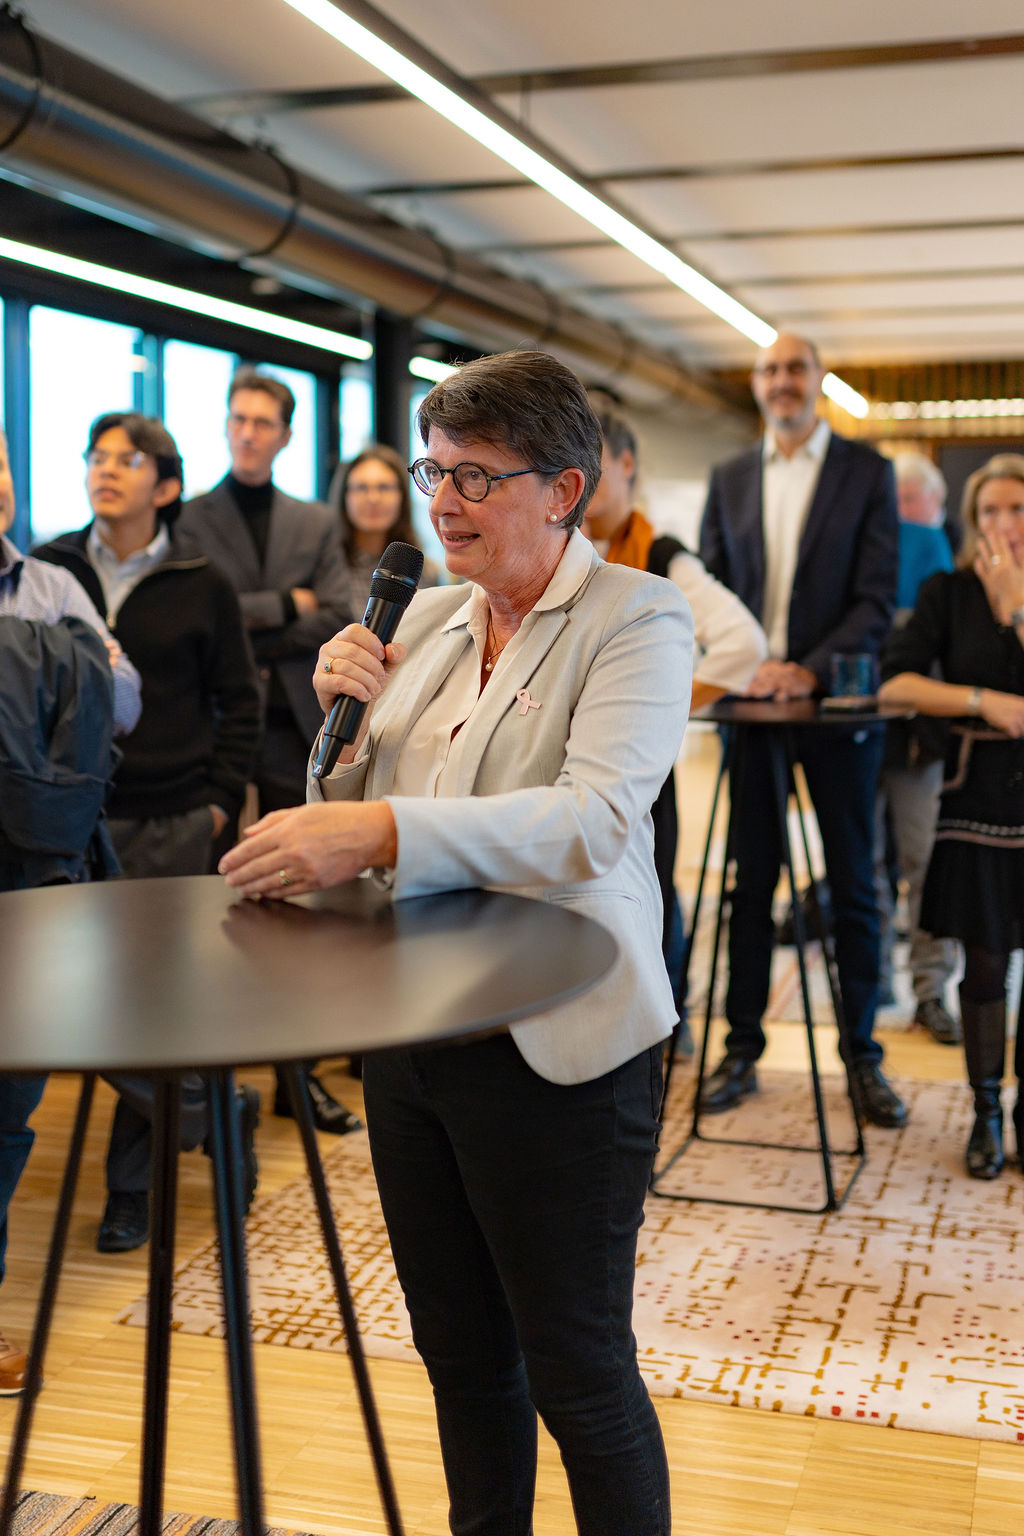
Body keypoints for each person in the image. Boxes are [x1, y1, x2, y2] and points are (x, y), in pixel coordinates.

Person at [220, 349, 692, 1536]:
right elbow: (348, 786)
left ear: (563, 488)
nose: (441, 501)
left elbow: (591, 822)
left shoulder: (637, 615)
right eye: (437, 470)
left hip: (563, 1044)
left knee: (577, 1370)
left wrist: (374, 823)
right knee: (461, 1358)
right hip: (417, 1031)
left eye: (475, 478)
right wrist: (347, 733)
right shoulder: (429, 618)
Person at [35, 412, 261, 1253]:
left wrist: (213, 801)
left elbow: (240, 701)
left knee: (152, 1001)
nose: (107, 471)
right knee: (96, 1001)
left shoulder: (204, 581)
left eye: (127, 460)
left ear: (165, 486)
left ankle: (129, 1189)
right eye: (96, 457)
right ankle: (217, 1105)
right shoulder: (50, 569)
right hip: (69, 811)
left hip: (171, 810)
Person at [698, 331, 906, 1128]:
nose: (783, 381)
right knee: (750, 885)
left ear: (819, 381)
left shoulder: (867, 472)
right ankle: (741, 1048)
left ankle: (863, 1058)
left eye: (795, 368)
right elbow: (711, 589)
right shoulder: (730, 476)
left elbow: (876, 599)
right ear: (756, 385)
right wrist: (748, 667)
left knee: (855, 885)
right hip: (749, 709)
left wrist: (805, 671)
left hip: (833, 709)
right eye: (770, 369)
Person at [178, 368, 358, 1134]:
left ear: (285, 435)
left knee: (293, 894)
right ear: (225, 427)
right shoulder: (188, 517)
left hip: (292, 723)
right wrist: (290, 605)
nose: (249, 432)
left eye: (263, 422)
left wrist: (255, 620)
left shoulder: (315, 522)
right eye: (238, 419)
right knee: (213, 893)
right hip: (215, 725)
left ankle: (297, 1073)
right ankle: (210, 1070)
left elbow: (340, 614)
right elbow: (202, 615)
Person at [0, 421, 140, 1392]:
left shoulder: (51, 587)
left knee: (8, 1107)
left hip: (30, 875)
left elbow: (123, 697)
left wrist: (53, 658)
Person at [582, 398, 766, 1041]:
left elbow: (744, 643)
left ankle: (663, 1017)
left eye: (593, 459)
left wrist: (654, 706)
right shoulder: (552, 546)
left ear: (627, 464)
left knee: (651, 885)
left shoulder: (662, 553)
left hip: (634, 764)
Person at [879, 452, 1024, 1179]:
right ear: (972, 522)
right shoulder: (947, 589)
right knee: (987, 963)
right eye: (990, 512)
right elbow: (894, 682)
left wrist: (1018, 611)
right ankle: (988, 1113)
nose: (1003, 525)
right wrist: (980, 700)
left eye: (1017, 510)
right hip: (975, 801)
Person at [874, 453, 958, 1042]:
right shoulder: (871, 549)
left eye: (911, 499)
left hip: (918, 742)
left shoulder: (939, 558)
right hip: (859, 734)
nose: (900, 512)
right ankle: (874, 979)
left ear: (937, 503)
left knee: (923, 864)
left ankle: (931, 991)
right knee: (863, 868)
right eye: (893, 500)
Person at [328, 441, 440, 613]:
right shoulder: (327, 567)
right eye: (361, 488)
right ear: (344, 497)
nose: (373, 498)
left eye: (384, 488)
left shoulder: (423, 572)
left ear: (401, 497)